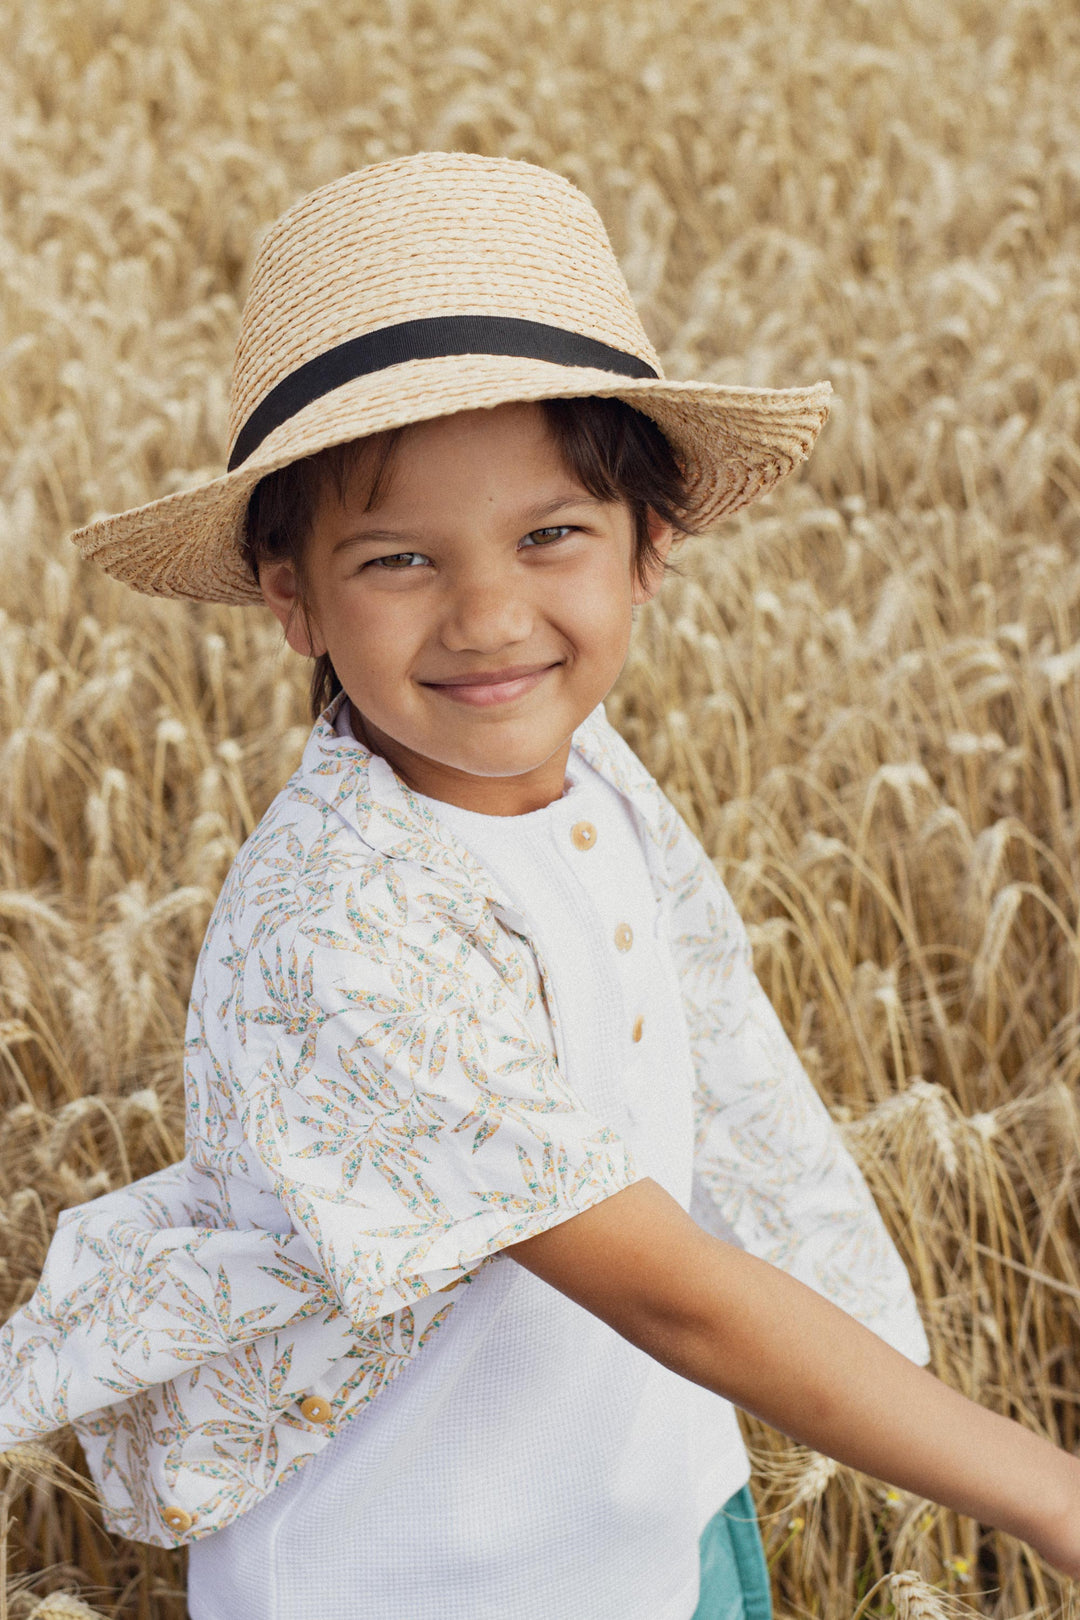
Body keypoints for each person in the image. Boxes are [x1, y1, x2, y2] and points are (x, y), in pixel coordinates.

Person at [1, 153, 1078, 1620]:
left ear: (656, 547)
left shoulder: (582, 781)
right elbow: (666, 1288)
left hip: (656, 1515)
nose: (491, 617)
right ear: (290, 597)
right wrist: (1046, 1492)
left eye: (549, 534)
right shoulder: (343, 923)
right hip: (423, 1581)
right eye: (398, 560)